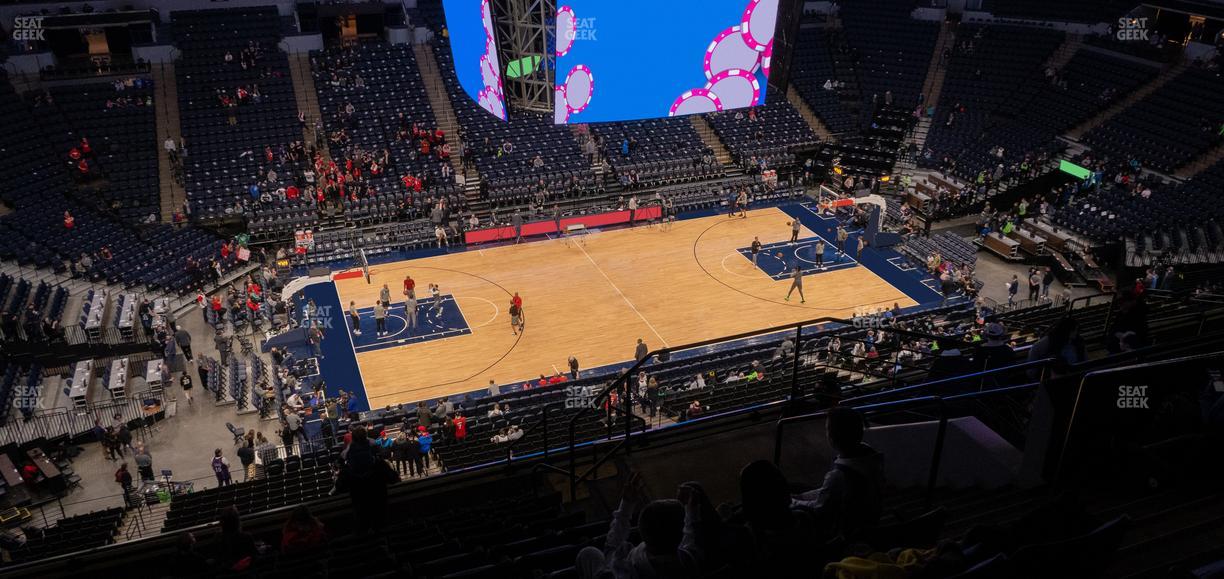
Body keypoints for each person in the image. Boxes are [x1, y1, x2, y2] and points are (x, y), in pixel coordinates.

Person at [791, 407, 884, 537]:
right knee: (798, 488)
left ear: (832, 438)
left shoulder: (838, 476)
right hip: (870, 517)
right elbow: (831, 491)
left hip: (843, 533)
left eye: (827, 430)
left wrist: (793, 501)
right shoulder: (871, 456)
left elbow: (820, 509)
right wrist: (801, 496)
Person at [210, 507, 258, 572]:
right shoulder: (246, 537)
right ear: (237, 521)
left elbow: (216, 558)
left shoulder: (217, 538)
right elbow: (254, 557)